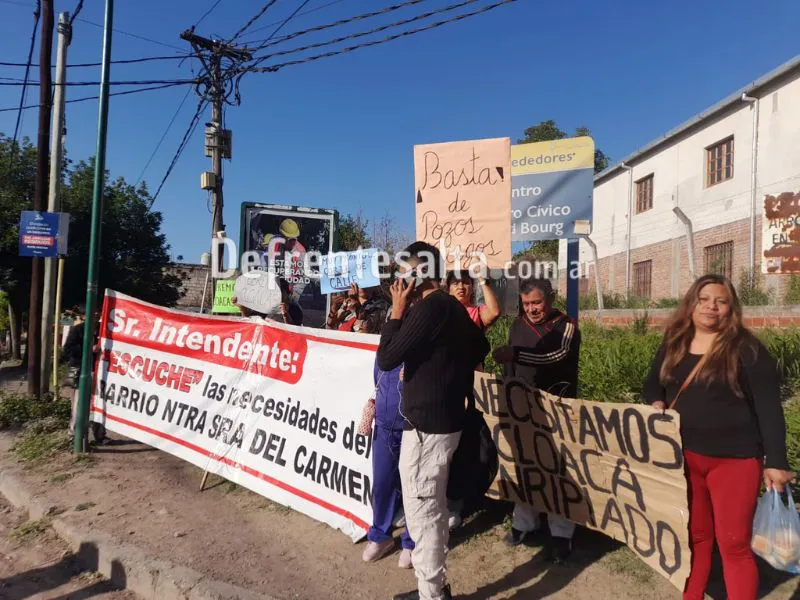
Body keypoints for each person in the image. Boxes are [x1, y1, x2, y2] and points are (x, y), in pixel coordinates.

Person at [641, 274, 795, 600]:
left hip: (735, 461)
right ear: (692, 304)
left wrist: (777, 462)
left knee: (734, 544)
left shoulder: (748, 350)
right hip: (684, 460)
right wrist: (655, 401)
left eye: (721, 301)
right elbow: (653, 383)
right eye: (704, 299)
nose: (712, 306)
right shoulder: (675, 342)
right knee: (697, 537)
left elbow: (769, 408)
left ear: (731, 308)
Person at [377, 241, 490, 600]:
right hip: (446, 423)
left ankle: (431, 595)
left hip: (427, 431)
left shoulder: (430, 308)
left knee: (423, 514)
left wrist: (396, 312)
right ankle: (434, 586)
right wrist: (443, 365)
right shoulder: (451, 308)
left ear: (419, 271)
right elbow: (480, 347)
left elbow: (388, 358)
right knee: (434, 511)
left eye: (404, 269)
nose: (398, 278)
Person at [491, 278, 580, 564]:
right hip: (522, 408)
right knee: (525, 466)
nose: (532, 309)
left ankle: (561, 534)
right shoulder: (518, 325)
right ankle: (524, 524)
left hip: (557, 409)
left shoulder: (565, 326)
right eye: (527, 304)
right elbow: (510, 365)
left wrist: (515, 353)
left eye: (537, 303)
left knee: (557, 471)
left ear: (550, 299)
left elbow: (554, 356)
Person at [443, 270, 501, 529]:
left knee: (465, 446)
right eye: (455, 283)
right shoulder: (440, 314)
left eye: (465, 283)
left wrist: (484, 281)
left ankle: (456, 503)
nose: (461, 287)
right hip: (442, 389)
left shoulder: (476, 314)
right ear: (447, 288)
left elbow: (495, 311)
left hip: (469, 392)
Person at [62, 307, 106, 444]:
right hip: (82, 372)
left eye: (96, 313)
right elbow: (68, 349)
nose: (95, 315)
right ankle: (74, 436)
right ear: (83, 316)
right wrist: (88, 349)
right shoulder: (78, 330)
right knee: (78, 404)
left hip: (100, 372)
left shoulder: (102, 330)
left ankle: (100, 435)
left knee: (100, 404)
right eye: (91, 313)